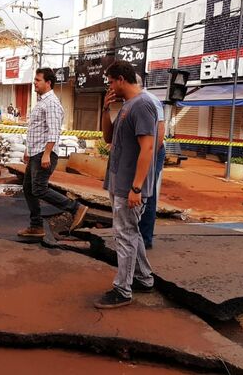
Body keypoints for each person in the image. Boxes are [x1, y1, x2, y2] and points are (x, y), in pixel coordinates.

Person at [96, 60, 158, 309]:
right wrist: (105, 109)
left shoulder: (142, 105)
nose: (110, 86)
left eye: (111, 82)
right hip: (118, 182)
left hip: (130, 187)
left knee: (124, 235)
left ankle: (122, 289)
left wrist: (136, 188)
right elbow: (108, 138)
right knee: (130, 233)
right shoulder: (127, 106)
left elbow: (149, 147)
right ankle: (143, 277)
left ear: (121, 79)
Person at [19, 68, 89, 238]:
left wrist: (46, 154)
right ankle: (36, 226)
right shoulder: (42, 102)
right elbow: (36, 129)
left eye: (38, 80)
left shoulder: (51, 103)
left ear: (48, 82)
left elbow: (53, 131)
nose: (34, 83)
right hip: (36, 152)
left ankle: (75, 208)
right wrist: (29, 150)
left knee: (39, 189)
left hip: (45, 153)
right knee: (28, 189)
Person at [136, 74, 165, 250]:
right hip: (142, 151)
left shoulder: (150, 100)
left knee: (148, 192)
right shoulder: (133, 100)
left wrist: (150, 157)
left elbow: (160, 130)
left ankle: (145, 237)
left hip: (152, 151)